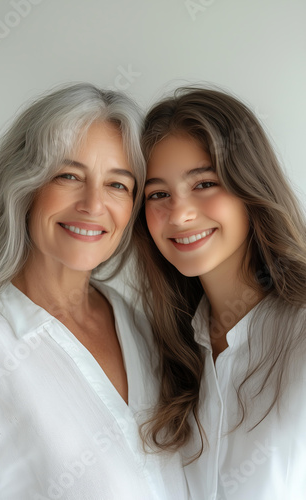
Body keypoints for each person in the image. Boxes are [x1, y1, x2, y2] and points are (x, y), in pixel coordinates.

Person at [0, 83, 189, 500]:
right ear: (25, 185)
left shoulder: (143, 327)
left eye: (118, 185)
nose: (93, 205)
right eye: (69, 176)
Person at [133, 87, 306, 500]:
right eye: (158, 194)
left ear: (250, 188)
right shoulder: (160, 351)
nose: (179, 213)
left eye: (205, 183)